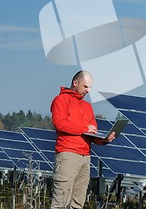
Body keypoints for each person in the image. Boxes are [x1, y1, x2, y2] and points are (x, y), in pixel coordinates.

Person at [49, 70, 115, 209]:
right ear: (75, 83)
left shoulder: (87, 107)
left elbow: (92, 133)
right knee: (61, 200)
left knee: (78, 202)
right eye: (85, 86)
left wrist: (104, 139)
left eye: (90, 87)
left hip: (85, 157)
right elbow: (60, 123)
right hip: (68, 154)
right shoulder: (60, 100)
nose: (88, 90)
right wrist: (84, 128)